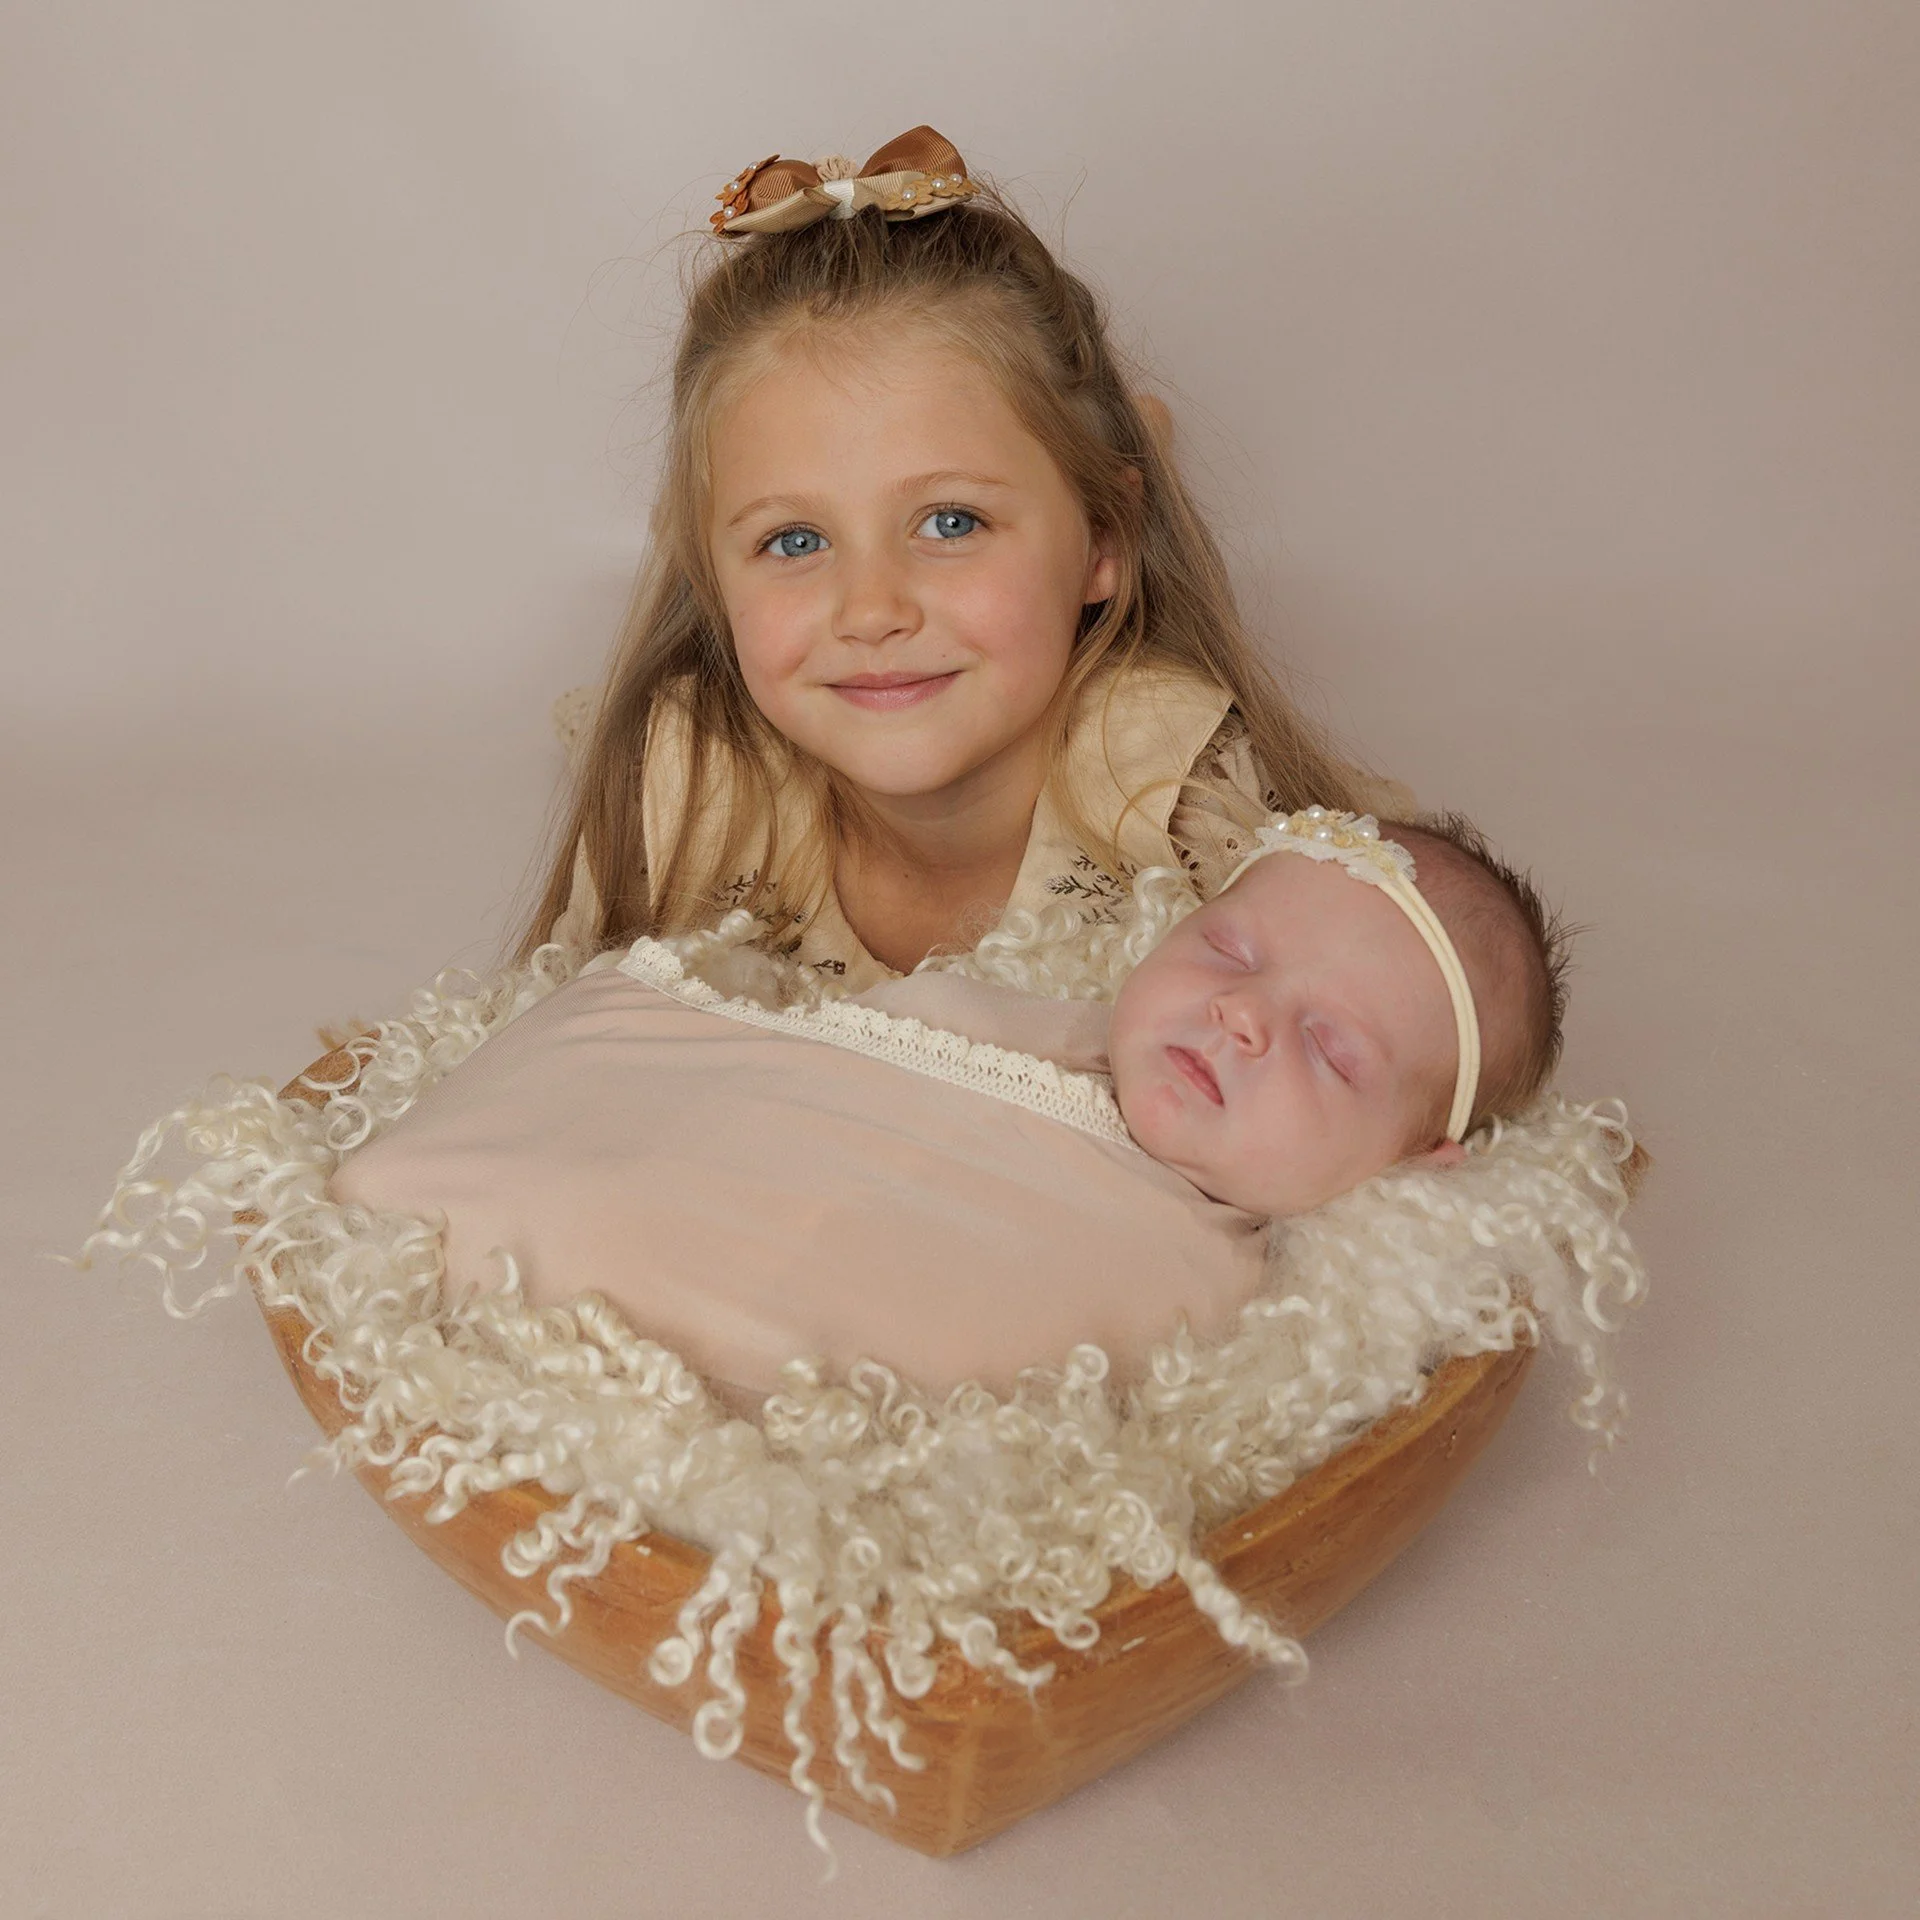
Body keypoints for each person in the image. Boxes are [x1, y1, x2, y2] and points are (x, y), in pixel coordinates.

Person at [520, 126, 1406, 993]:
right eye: (794, 540)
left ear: (1107, 540)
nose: (871, 611)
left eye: (950, 522)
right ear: (712, 576)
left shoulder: (1181, 814)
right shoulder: (691, 792)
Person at [329, 808, 1568, 1405]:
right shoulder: (1018, 1016)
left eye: (1332, 1047)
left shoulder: (1254, 1320)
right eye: (1230, 950)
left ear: (1419, 1163)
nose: (1243, 1016)